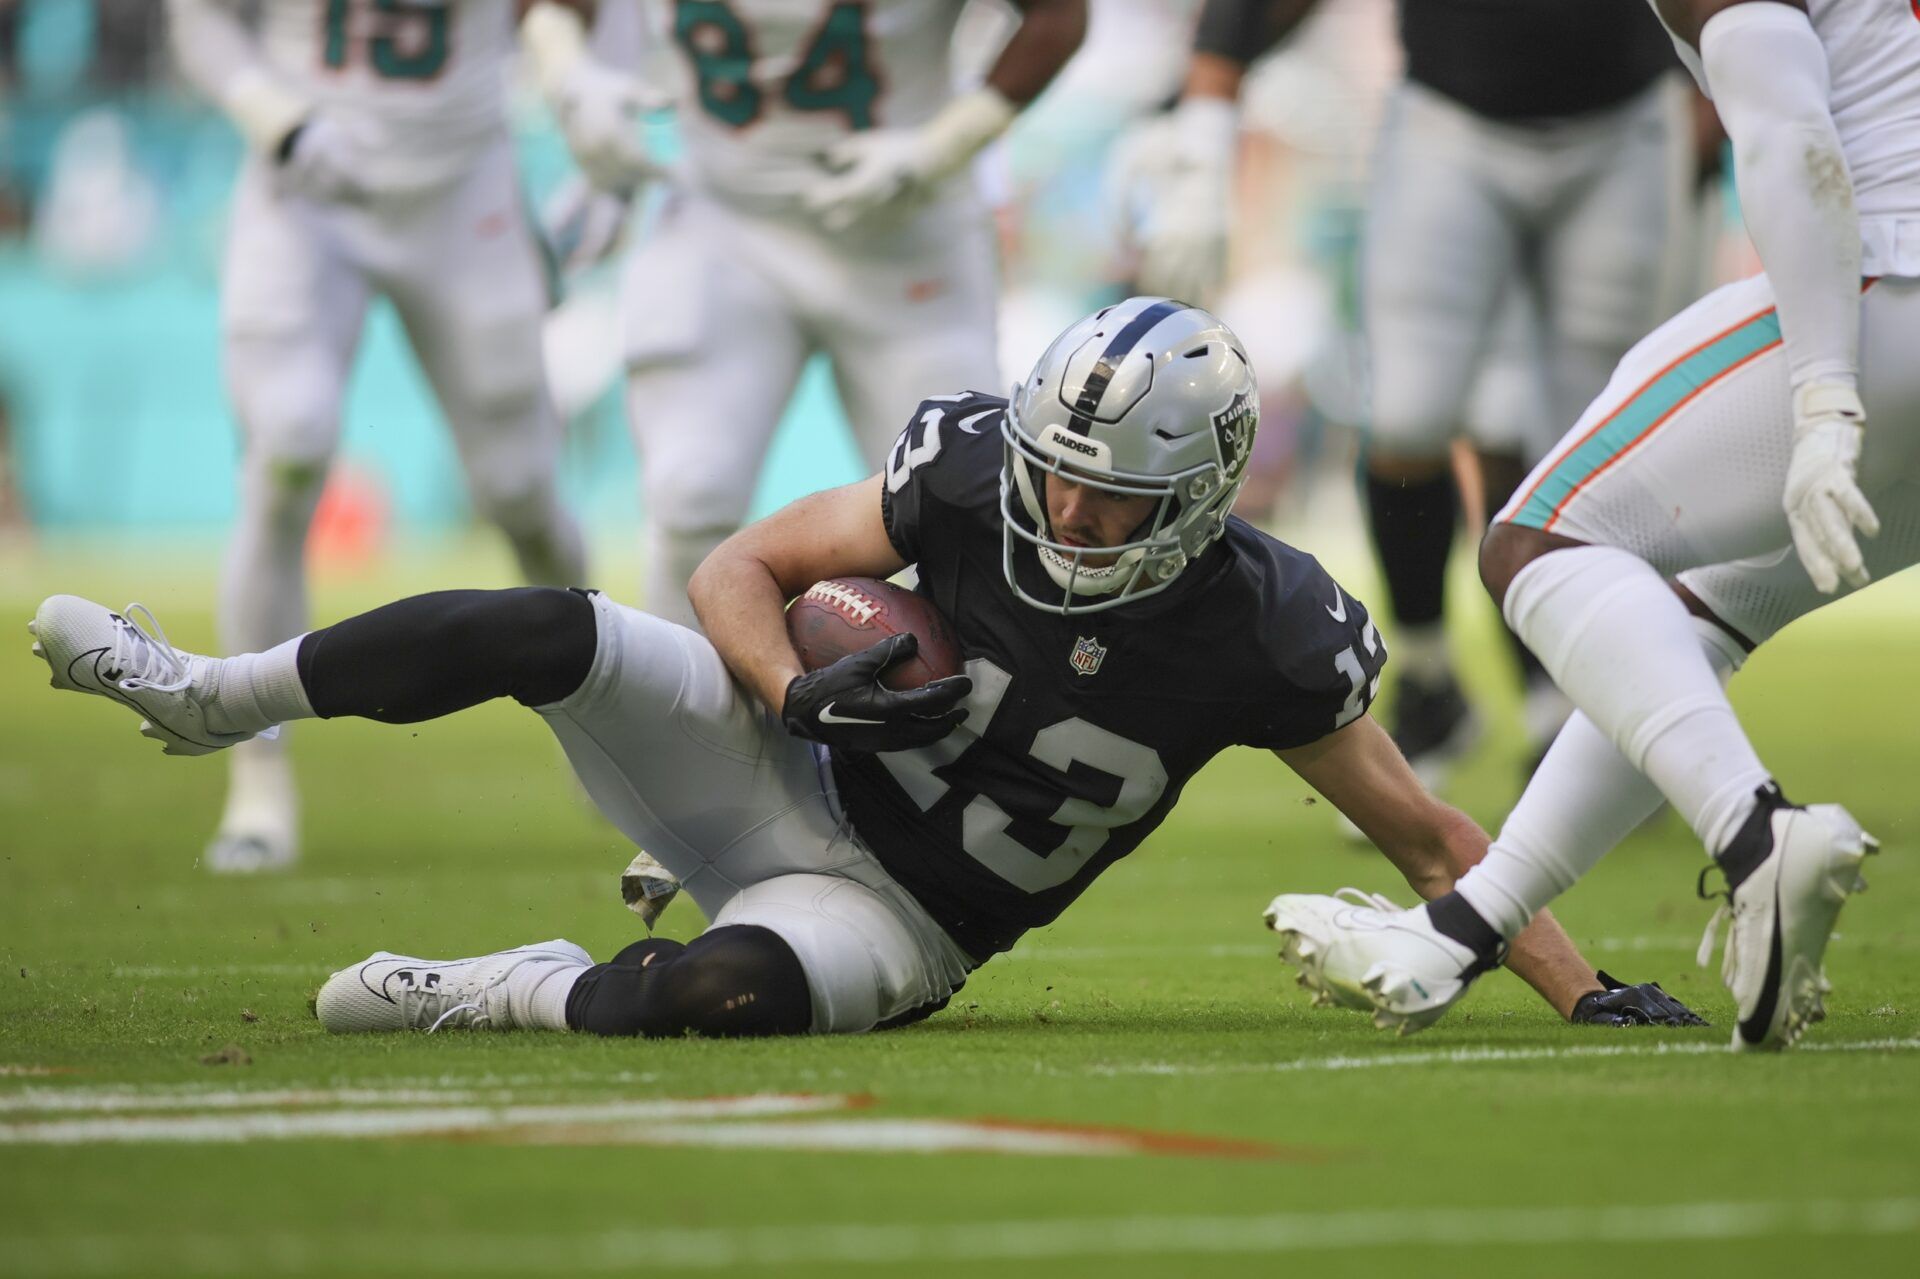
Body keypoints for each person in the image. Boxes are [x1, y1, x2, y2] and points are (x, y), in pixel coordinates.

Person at [30, 299, 1699, 1038]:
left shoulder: (1266, 625)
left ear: (1199, 494)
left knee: (699, 995)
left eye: (1105, 490)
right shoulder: (971, 468)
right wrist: (777, 686)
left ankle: (504, 978)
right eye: (1054, 466)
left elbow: (1422, 834)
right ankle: (209, 693)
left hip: (906, 916)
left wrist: (1572, 977)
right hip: (785, 767)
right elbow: (733, 566)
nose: (1060, 503)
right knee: (540, 623)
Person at [1266, 0, 1917, 1051]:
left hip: (1891, 278)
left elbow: (1785, 120)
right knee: (1683, 627)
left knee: (1539, 541)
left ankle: (1758, 839)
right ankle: (1470, 925)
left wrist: (1826, 392)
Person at [1141, 0, 1693, 789]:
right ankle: (1431, 676)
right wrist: (1201, 123)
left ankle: (1571, 698)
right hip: (1450, 123)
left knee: (1590, 443)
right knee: (1407, 415)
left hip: (1627, 121)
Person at [167, 0, 651, 873]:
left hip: (463, 183)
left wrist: (600, 145)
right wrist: (270, 113)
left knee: (520, 489)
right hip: (307, 182)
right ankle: (258, 773)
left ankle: (602, 712)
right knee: (289, 443)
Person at [609, 0, 1086, 632]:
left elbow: (1058, 14)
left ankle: (954, 724)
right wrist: (568, 76)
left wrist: (936, 148)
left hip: (905, 232)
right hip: (726, 219)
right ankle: (672, 723)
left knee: (962, 516)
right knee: (690, 493)